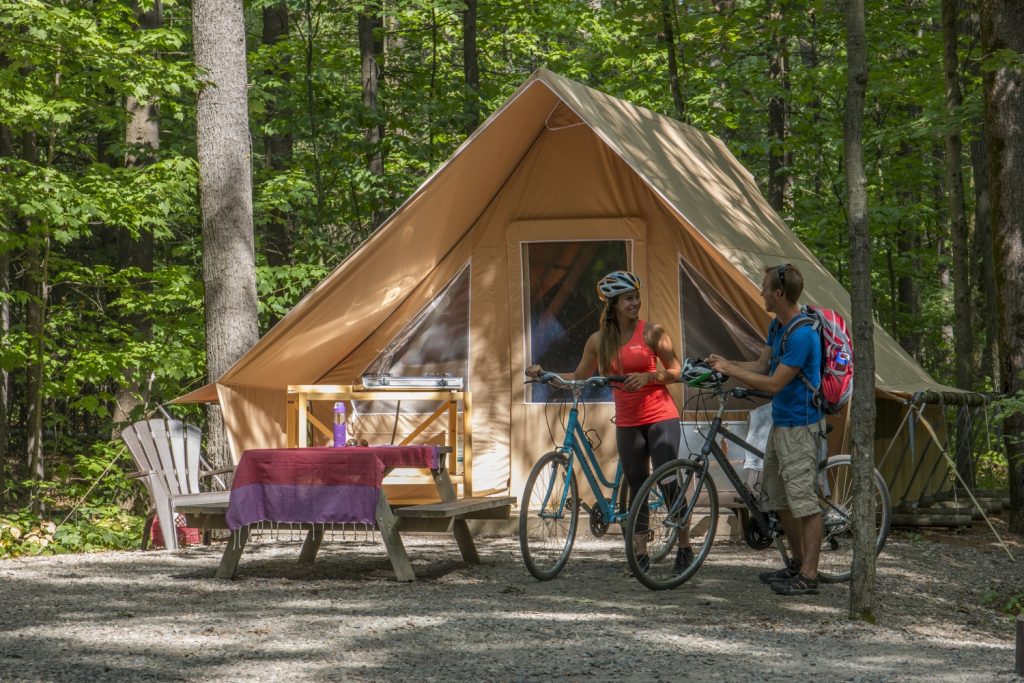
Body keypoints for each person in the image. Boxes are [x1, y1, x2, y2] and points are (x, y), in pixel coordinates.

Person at [525, 270, 692, 575]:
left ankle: (684, 546)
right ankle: (640, 556)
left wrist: (649, 376)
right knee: (639, 484)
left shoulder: (653, 332)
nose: (635, 303)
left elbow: (678, 370)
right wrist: (544, 374)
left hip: (660, 415)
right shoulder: (598, 341)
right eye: (629, 298)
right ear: (613, 304)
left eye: (637, 297)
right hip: (628, 420)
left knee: (667, 483)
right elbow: (580, 376)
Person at [708, 263, 824, 597]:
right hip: (781, 424)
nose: (760, 293)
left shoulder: (802, 335)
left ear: (778, 293)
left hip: (801, 428)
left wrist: (731, 368)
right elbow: (761, 365)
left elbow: (773, 384)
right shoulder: (778, 326)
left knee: (804, 503)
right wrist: (722, 365)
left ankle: (810, 575)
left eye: (763, 288)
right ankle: (798, 564)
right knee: (780, 499)